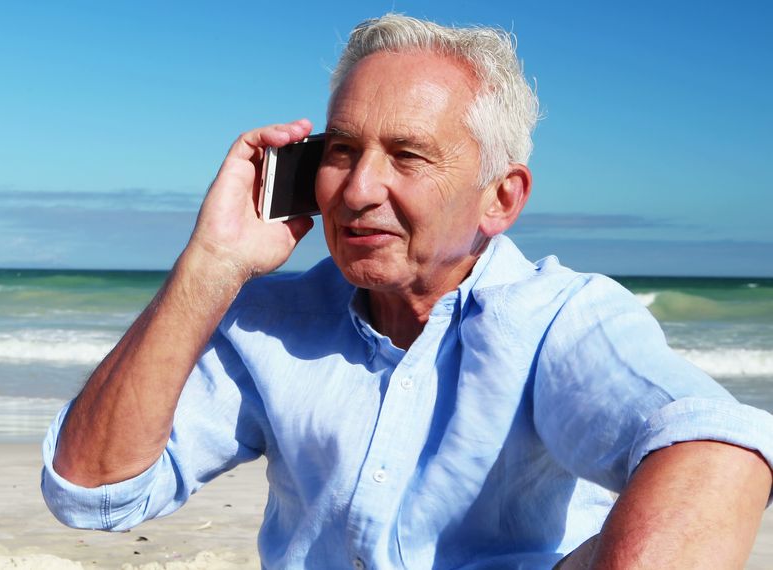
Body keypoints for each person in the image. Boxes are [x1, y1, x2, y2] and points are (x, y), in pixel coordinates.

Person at [41, 14, 773, 569]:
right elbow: (94, 491)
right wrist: (211, 264)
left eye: (408, 156)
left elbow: (719, 451)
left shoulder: (558, 321)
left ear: (501, 200)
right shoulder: (271, 326)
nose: (358, 191)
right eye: (341, 151)